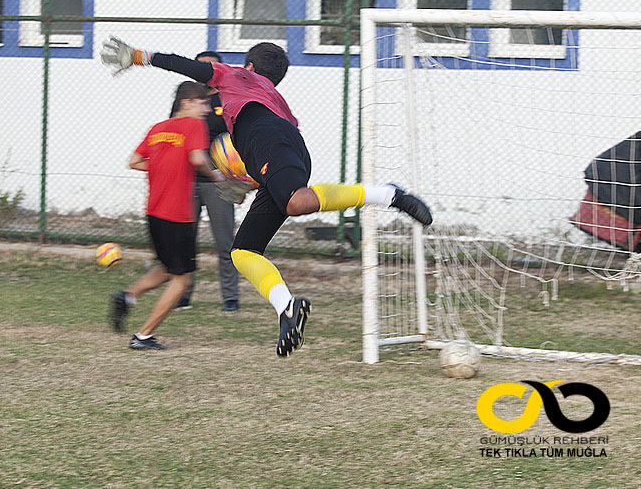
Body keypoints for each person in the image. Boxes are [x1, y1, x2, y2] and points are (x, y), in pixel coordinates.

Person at [101, 37, 433, 357]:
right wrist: (250, 181)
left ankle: (389, 195)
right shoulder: (275, 98)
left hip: (270, 142)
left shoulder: (237, 75)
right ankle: (287, 308)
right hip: (281, 152)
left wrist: (139, 56)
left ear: (248, 65)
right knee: (243, 252)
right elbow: (269, 146)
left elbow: (191, 67)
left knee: (296, 202)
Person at [112, 81, 221, 350]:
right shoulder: (194, 126)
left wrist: (163, 166)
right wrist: (217, 175)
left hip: (154, 212)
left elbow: (135, 162)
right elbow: (197, 159)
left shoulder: (158, 128)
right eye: (202, 103)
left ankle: (127, 296)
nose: (207, 109)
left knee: (167, 268)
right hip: (177, 214)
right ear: (186, 103)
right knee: (183, 279)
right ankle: (143, 336)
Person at [174, 51, 240, 314]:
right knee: (185, 241)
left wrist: (238, 181)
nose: (201, 72)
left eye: (208, 67)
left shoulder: (227, 99)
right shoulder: (185, 101)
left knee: (225, 243)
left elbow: (238, 139)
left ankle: (231, 299)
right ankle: (182, 295)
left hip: (218, 183)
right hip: (188, 181)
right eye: (197, 67)